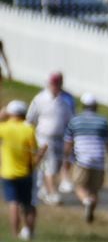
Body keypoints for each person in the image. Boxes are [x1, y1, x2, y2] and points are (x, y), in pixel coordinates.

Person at [62, 94, 108, 225]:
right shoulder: (103, 121)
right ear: (95, 106)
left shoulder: (75, 120)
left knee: (79, 186)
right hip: (99, 160)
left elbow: (68, 142)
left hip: (81, 159)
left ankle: (86, 201)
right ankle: (90, 216)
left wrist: (66, 157)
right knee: (94, 189)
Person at [27, 71, 75, 206]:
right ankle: (51, 192)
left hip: (59, 138)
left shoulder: (64, 101)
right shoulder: (39, 99)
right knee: (50, 165)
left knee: (55, 165)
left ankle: (43, 189)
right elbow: (30, 119)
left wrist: (69, 140)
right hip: (43, 137)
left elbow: (70, 121)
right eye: (54, 84)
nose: (56, 86)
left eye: (58, 84)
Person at [1, 100, 39, 240]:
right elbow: (35, 152)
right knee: (27, 203)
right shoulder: (29, 129)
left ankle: (15, 233)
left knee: (13, 203)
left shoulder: (4, 128)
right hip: (26, 172)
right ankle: (29, 231)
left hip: (8, 172)